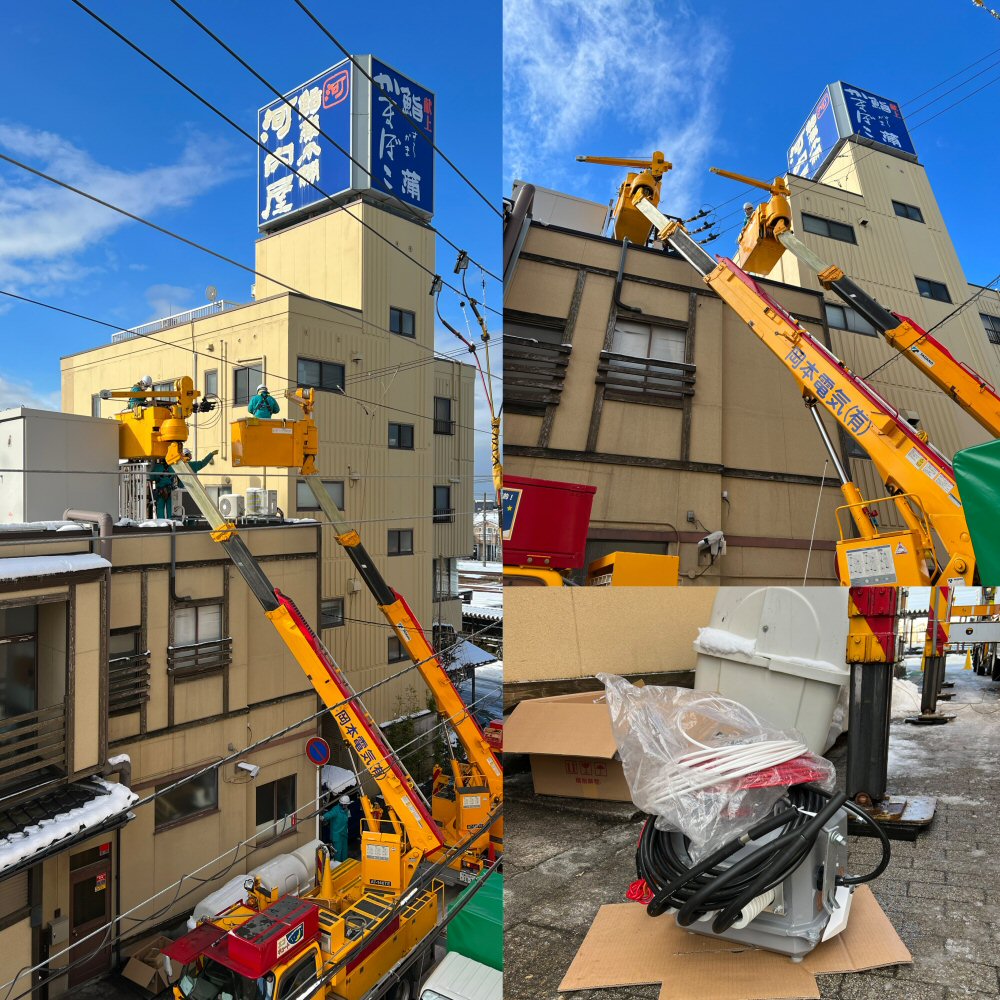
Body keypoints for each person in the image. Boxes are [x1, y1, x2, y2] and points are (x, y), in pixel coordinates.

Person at [323, 795, 351, 862]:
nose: (346, 806)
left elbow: (347, 819)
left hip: (344, 834)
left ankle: (344, 864)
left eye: (347, 805)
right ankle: (337, 865)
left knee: (344, 851)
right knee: (337, 852)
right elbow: (330, 814)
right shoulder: (336, 810)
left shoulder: (346, 810)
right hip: (337, 835)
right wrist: (324, 817)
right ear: (341, 804)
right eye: (345, 805)